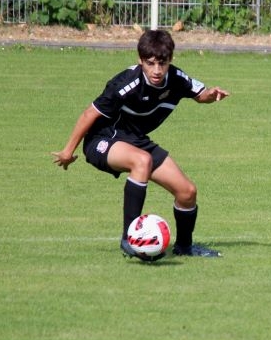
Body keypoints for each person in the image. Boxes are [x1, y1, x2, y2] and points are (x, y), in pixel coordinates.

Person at [52, 29, 227, 259]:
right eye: (150, 63)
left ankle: (184, 247)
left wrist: (211, 95)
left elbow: (199, 93)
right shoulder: (124, 83)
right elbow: (89, 114)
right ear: (140, 60)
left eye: (162, 63)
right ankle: (129, 238)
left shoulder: (176, 78)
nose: (156, 70)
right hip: (102, 139)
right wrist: (67, 151)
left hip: (136, 140)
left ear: (170, 61)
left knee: (187, 192)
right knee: (141, 160)